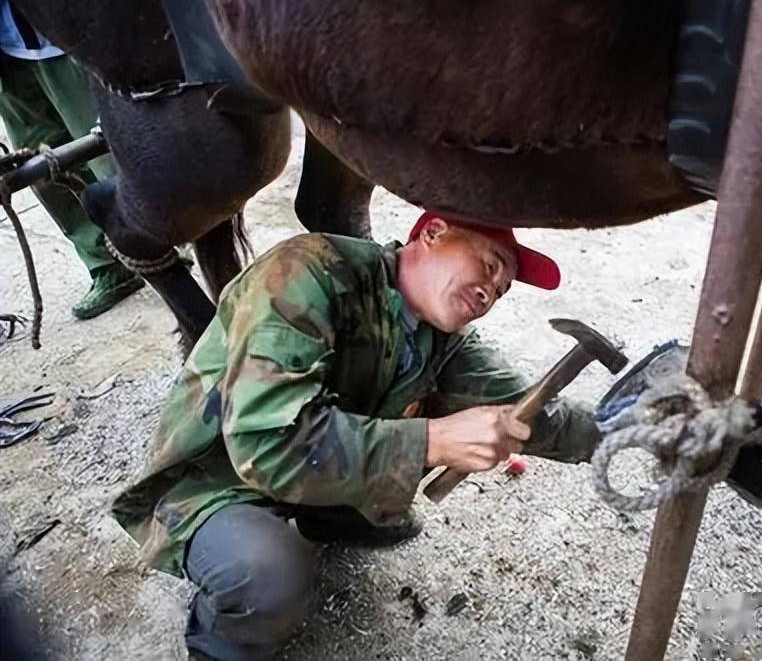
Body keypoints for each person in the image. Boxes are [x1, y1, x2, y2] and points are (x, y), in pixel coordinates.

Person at [113, 213, 603, 659]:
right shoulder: (309, 272)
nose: (491, 292)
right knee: (268, 577)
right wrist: (430, 441)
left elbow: (524, 411)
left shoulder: (444, 338)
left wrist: (618, 431)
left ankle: (329, 518)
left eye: (502, 291)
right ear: (432, 234)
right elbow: (267, 446)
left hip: (309, 470)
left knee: (419, 439)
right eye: (490, 265)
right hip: (219, 479)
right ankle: (220, 647)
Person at [0, 0, 142, 319]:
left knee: (104, 148)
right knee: (39, 165)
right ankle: (106, 261)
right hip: (7, 53)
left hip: (61, 35)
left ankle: (151, 244)